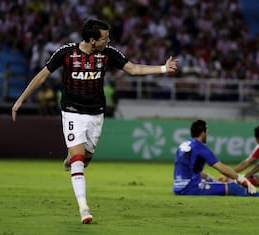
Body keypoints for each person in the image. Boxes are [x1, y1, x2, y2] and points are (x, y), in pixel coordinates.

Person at [12, 18, 178, 224]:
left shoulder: (108, 54)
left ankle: (71, 157)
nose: (108, 41)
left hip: (96, 113)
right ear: (92, 40)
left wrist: (163, 68)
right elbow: (42, 76)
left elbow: (133, 69)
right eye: (105, 38)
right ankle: (84, 208)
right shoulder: (66, 53)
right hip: (72, 112)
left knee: (86, 158)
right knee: (79, 161)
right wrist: (20, 99)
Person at [173, 120, 259, 197]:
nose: (207, 134)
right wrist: (241, 179)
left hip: (177, 187)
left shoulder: (183, 145)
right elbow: (221, 168)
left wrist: (209, 178)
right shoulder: (200, 148)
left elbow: (190, 169)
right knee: (232, 187)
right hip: (190, 188)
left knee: (214, 183)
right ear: (203, 133)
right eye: (207, 132)